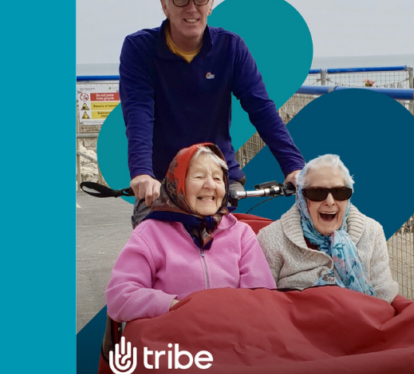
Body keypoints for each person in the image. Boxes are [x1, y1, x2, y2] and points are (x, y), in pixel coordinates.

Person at [120, 0, 305, 228]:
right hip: (164, 180)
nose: (191, 8)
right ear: (164, 5)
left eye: (200, 0)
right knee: (152, 244)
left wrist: (294, 167)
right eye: (180, 0)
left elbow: (261, 109)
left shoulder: (230, 47)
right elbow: (139, 112)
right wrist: (142, 173)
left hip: (216, 177)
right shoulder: (140, 48)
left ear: (210, 6)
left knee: (235, 245)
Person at [106, 143, 276, 322]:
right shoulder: (150, 233)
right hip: (173, 340)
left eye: (218, 178)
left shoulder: (241, 234)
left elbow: (262, 295)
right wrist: (177, 307)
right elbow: (120, 297)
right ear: (177, 184)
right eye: (199, 176)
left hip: (232, 336)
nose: (210, 185)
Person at [257, 154, 399, 303]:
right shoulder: (271, 237)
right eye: (318, 192)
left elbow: (384, 296)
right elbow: (264, 304)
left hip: (363, 322)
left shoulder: (372, 231)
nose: (330, 202)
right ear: (302, 198)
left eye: (340, 192)